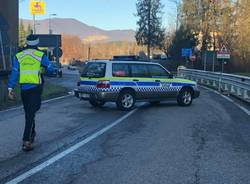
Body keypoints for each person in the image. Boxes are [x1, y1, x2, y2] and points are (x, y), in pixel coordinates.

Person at [8, 35, 53, 152]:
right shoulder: (40, 55)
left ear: (27, 43)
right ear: (37, 43)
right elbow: (50, 68)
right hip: (36, 88)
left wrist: (10, 88)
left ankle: (32, 132)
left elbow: (14, 72)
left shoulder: (19, 56)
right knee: (31, 113)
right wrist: (44, 70)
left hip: (24, 89)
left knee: (29, 112)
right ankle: (26, 141)